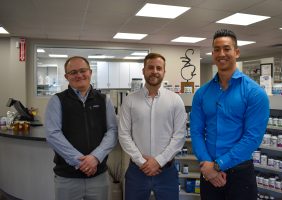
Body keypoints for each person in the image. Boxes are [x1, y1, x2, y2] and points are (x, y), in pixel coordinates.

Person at [190, 29, 269, 200]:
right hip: (208, 172)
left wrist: (217, 166)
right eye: (217, 50)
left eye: (226, 48)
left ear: (237, 52)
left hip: (240, 174)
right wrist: (207, 165)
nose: (221, 54)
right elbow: (196, 132)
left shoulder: (254, 93)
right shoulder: (202, 94)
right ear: (212, 54)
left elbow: (252, 138)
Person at [45, 56, 118, 200]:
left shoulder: (104, 100)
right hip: (67, 178)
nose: (79, 75)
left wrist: (95, 158)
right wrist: (81, 162)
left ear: (90, 72)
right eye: (73, 72)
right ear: (67, 77)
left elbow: (113, 131)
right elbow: (53, 134)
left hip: (98, 176)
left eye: (83, 70)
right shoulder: (57, 100)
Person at [118, 53, 187, 200]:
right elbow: (124, 134)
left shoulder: (175, 100)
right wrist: (142, 162)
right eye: (150, 67)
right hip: (137, 171)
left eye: (158, 68)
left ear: (164, 72)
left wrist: (159, 161)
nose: (154, 71)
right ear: (143, 71)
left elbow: (179, 136)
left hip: (166, 173)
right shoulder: (130, 100)